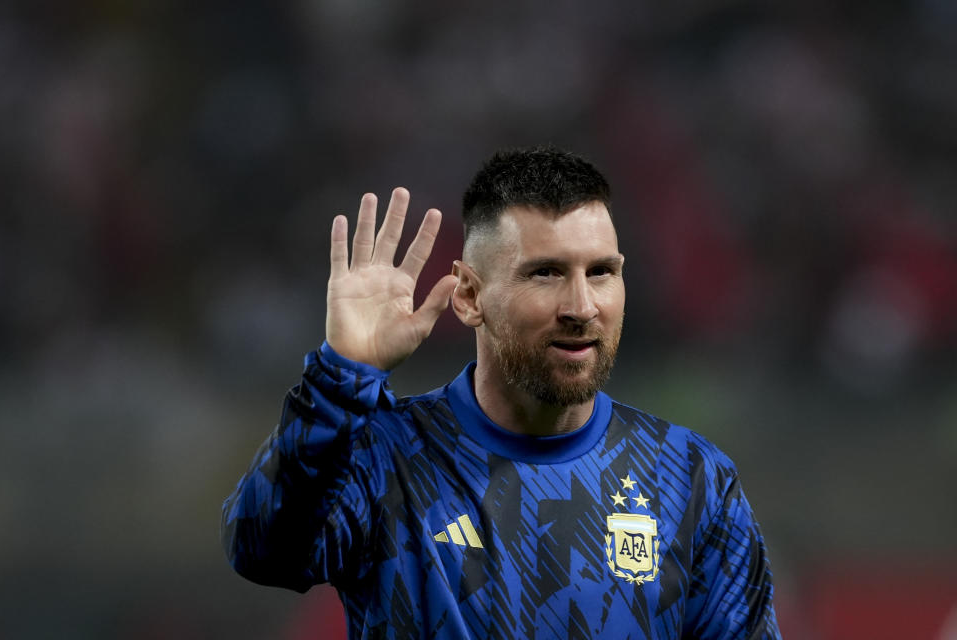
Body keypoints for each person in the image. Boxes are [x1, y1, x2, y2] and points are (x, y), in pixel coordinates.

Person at [221, 147, 781, 639]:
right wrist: (341, 376)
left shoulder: (690, 479)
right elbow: (262, 551)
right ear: (468, 296)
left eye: (602, 272)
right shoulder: (385, 459)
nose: (582, 307)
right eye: (545, 273)